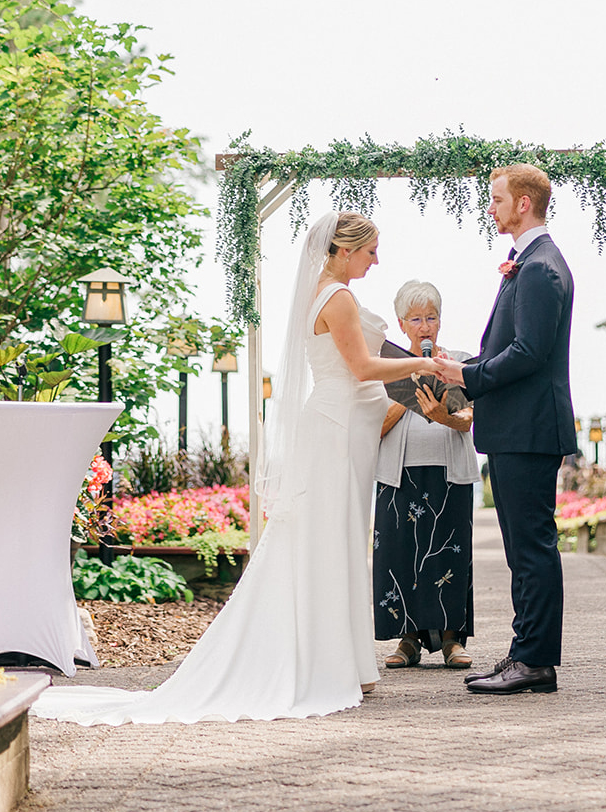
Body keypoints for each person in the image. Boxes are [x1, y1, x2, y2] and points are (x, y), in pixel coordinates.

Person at [32, 212, 444, 724]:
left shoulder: (329, 292)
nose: (376, 260)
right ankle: (330, 662)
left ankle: (349, 662)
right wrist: (422, 364)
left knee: (336, 542)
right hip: (337, 433)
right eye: (370, 250)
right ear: (343, 249)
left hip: (348, 433)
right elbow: (360, 369)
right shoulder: (335, 298)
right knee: (327, 542)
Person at [436, 163, 575, 695]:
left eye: (496, 200)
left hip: (530, 429)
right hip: (520, 428)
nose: (489, 208)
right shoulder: (531, 261)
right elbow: (513, 349)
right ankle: (525, 655)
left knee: (533, 549)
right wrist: (465, 365)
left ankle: (535, 661)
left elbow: (530, 354)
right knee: (523, 550)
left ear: (523, 203)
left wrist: (468, 376)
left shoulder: (541, 267)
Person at [374, 280, 480, 670]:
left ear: (440, 321)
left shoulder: (460, 361)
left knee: (449, 554)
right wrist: (410, 391)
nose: (424, 326)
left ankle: (453, 639)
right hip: (398, 474)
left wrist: (444, 415)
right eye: (416, 319)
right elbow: (374, 427)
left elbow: (468, 420)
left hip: (449, 471)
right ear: (402, 324)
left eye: (431, 317)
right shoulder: (384, 367)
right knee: (400, 554)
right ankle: (407, 640)